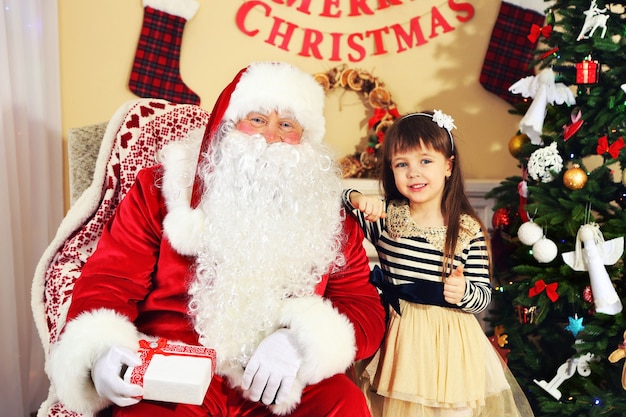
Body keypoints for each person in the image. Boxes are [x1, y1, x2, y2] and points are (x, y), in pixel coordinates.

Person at [47, 61, 386, 417]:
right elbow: (111, 280)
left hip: (279, 383)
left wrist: (300, 342)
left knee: (344, 405)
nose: (269, 136)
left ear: (305, 139)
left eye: (286, 125)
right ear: (227, 126)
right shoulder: (160, 190)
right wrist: (101, 350)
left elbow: (361, 306)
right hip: (175, 373)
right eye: (256, 120)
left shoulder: (330, 215)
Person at [343, 110, 534, 417]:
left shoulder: (467, 229)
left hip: (449, 346)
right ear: (391, 170)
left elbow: (483, 296)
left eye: (425, 161)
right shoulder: (388, 217)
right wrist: (356, 197)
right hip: (399, 341)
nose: (413, 173)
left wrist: (464, 291)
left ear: (448, 166)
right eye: (401, 164)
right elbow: (335, 204)